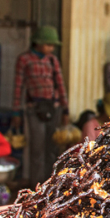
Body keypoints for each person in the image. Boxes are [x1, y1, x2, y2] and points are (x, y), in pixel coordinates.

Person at [12, 26, 70, 189]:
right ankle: (36, 186)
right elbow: (18, 87)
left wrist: (66, 109)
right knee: (36, 149)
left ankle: (51, 184)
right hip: (34, 109)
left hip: (54, 108)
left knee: (52, 148)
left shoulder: (52, 60)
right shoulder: (24, 60)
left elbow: (60, 85)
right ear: (38, 43)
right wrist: (16, 111)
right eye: (49, 45)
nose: (51, 49)